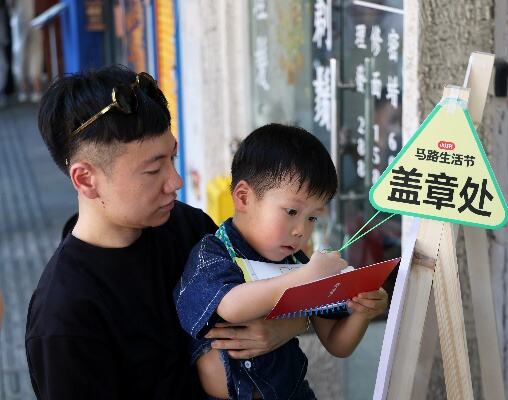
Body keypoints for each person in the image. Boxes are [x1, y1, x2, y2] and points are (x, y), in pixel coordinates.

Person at [25, 65, 308, 399]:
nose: (175, 181)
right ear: (86, 179)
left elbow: (276, 300)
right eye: (153, 169)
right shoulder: (64, 317)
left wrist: (284, 328)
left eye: (172, 158)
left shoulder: (188, 227)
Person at [174, 124, 389, 399]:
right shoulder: (213, 251)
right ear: (243, 197)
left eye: (313, 217)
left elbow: (338, 344)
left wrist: (362, 312)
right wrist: (306, 277)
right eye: (291, 211)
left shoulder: (299, 262)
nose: (302, 229)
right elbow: (231, 305)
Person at [7, 0, 42, 102]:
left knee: (20, 53)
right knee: (35, 51)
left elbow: (10, 3)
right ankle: (36, 89)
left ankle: (24, 89)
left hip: (19, 18)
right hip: (35, 17)